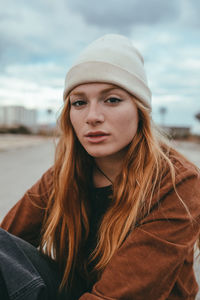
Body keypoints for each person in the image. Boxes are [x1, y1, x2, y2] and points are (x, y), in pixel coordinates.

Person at [1, 34, 200, 300]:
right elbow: (7, 245)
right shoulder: (64, 175)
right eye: (79, 102)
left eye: (112, 100)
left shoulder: (176, 182)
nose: (92, 117)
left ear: (140, 110)